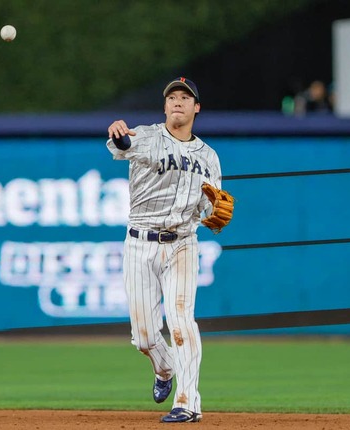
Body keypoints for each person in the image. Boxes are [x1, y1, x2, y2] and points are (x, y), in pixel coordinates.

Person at [106, 77, 230, 423]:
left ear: (196, 108)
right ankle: (164, 369)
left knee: (181, 321)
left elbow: (212, 210)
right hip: (139, 244)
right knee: (144, 337)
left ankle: (188, 402)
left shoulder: (209, 157)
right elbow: (121, 145)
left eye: (185, 98)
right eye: (172, 97)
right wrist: (119, 133)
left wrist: (213, 214)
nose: (178, 101)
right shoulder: (145, 136)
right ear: (165, 106)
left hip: (182, 244)